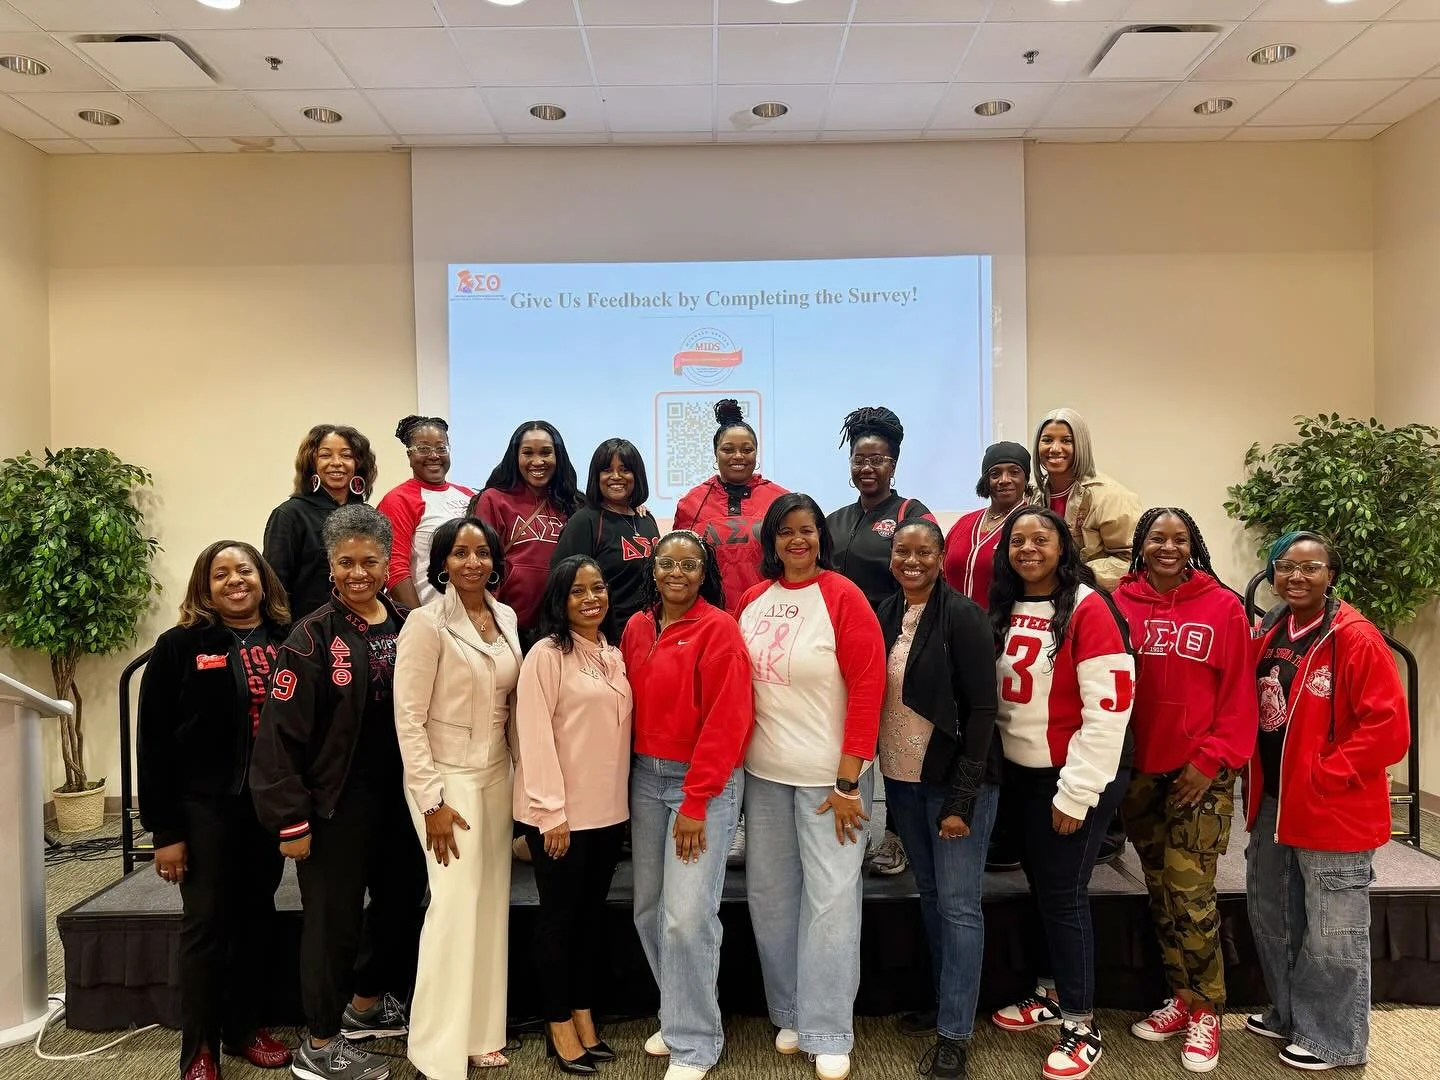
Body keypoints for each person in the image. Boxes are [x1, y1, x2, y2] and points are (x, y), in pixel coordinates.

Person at [250, 504, 426, 1080]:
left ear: (386, 564)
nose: (358, 573)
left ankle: (366, 1006)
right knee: (334, 924)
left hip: (399, 803)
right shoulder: (309, 637)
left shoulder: (407, 626)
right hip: (332, 808)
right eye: (346, 562)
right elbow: (278, 739)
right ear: (330, 565)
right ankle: (319, 1043)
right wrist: (290, 821)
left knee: (401, 905)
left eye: (369, 562)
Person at [1244, 532, 1408, 1072]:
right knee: (1275, 915)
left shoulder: (1355, 637)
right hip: (1274, 801)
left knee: (1333, 928)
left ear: (1331, 574)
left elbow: (1388, 729)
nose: (1297, 577)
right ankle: (1290, 1015)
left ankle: (1335, 1039)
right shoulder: (1271, 628)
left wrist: (1325, 771)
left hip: (1331, 804)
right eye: (1286, 567)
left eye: (1310, 568)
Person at [737, 493, 885, 1080]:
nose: (798, 540)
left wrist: (850, 778)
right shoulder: (751, 599)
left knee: (831, 902)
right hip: (765, 775)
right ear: (771, 540)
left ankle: (828, 1027)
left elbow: (869, 686)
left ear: (820, 537)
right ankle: (792, 1011)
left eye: (808, 530)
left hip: (833, 781)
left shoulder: (842, 596)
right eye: (786, 532)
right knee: (771, 901)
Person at [987, 508, 1135, 1080]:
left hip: (1071, 774)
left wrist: (1075, 794)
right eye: (1017, 540)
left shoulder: (1089, 606)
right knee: (1046, 888)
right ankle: (1051, 993)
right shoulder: (1005, 606)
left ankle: (1081, 1023)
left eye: (1040, 538)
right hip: (1024, 771)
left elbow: (1109, 710)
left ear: (1063, 545)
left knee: (1065, 895)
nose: (1027, 548)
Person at [137, 542, 293, 1080]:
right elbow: (153, 744)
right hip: (204, 809)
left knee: (257, 920)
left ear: (262, 578)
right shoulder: (180, 646)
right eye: (220, 573)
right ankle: (199, 1047)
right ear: (205, 587)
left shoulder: (288, 639)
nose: (234, 581)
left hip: (267, 808)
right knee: (205, 925)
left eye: (243, 570)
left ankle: (245, 1028)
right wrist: (166, 832)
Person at [1113, 509, 1257, 1074]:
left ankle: (1209, 1010)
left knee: (1191, 895)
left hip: (1200, 771)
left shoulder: (1222, 605)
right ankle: (1181, 996)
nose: (1168, 547)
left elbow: (1240, 695)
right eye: (1157, 538)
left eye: (1179, 539)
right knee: (1158, 891)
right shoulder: (1119, 604)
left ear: (1193, 545)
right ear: (1141, 546)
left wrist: (1211, 759)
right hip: (1139, 771)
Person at [393, 516, 523, 1080]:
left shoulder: (508, 616)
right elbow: (408, 719)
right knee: (452, 907)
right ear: (441, 562)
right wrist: (430, 802)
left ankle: (480, 1032)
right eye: (460, 553)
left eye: (482, 553)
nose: (473, 563)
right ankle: (434, 1049)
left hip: (498, 774)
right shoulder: (425, 624)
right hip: (448, 781)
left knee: (491, 902)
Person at [621, 531, 754, 1080]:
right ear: (653, 570)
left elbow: (730, 719)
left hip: (701, 784)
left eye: (690, 565)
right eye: (667, 563)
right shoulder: (635, 627)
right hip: (645, 779)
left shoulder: (719, 628)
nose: (677, 572)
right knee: (650, 910)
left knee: (688, 917)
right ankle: (679, 1013)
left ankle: (696, 1043)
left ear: (705, 573)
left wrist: (698, 799)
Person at [875, 521, 999, 1080]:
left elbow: (981, 714)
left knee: (958, 906)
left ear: (943, 556)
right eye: (903, 551)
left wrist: (963, 799)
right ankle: (944, 1000)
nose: (912, 560)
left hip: (955, 784)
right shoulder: (884, 612)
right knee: (929, 896)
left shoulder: (964, 617)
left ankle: (955, 1034)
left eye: (924, 551)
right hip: (902, 778)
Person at [514, 555, 634, 1075]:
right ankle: (557, 1022)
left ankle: (584, 1013)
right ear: (559, 601)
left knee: (588, 922)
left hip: (608, 814)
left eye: (598, 588)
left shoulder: (612, 651)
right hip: (561, 817)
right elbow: (534, 736)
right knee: (558, 922)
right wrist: (549, 814)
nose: (591, 598)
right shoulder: (546, 653)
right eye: (578, 591)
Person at [826, 406, 934, 878]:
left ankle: (896, 837)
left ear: (894, 463)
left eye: (878, 460)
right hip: (834, 652)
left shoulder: (912, 514)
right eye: (859, 459)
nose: (867, 468)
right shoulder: (834, 519)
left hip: (894, 649)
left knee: (892, 746)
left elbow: (927, 578)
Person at [672, 399, 789, 616]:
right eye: (728, 449)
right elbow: (679, 565)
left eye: (747, 449)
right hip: (707, 619)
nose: (738, 456)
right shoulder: (691, 503)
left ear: (756, 453)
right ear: (715, 453)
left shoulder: (781, 500)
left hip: (770, 616)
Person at [472, 420, 584, 638]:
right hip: (507, 626)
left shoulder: (576, 504)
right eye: (527, 453)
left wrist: (633, 504)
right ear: (515, 457)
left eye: (545, 452)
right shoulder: (493, 500)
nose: (537, 461)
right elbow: (482, 564)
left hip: (563, 627)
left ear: (558, 456)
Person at [263, 424, 378, 620]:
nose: (336, 463)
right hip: (308, 636)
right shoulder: (290, 515)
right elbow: (275, 588)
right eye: (325, 455)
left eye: (346, 455)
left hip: (364, 630)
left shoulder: (370, 516)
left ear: (358, 464)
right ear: (311, 463)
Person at [551, 438, 659, 631]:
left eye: (625, 469)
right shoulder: (584, 522)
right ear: (596, 476)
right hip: (605, 639)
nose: (616, 476)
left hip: (648, 635)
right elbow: (561, 587)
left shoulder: (646, 519)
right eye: (607, 470)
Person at [1031, 408, 1139, 594]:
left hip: (1094, 600)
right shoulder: (1032, 495)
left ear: (1081, 445)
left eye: (1066, 441)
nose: (1055, 448)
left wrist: (1074, 576)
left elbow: (1131, 560)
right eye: (1047, 440)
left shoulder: (1111, 496)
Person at [376, 416, 475, 609]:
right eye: (423, 449)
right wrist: (417, 619)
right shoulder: (399, 499)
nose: (434, 455)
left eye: (441, 448)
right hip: (430, 614)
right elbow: (394, 567)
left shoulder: (470, 495)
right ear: (409, 455)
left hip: (471, 616)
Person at [943, 442, 1033, 609]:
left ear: (1026, 478)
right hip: (951, 627)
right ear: (986, 480)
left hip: (1003, 628)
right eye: (995, 474)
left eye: (1014, 472)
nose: (1004, 480)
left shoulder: (1033, 524)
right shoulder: (964, 523)